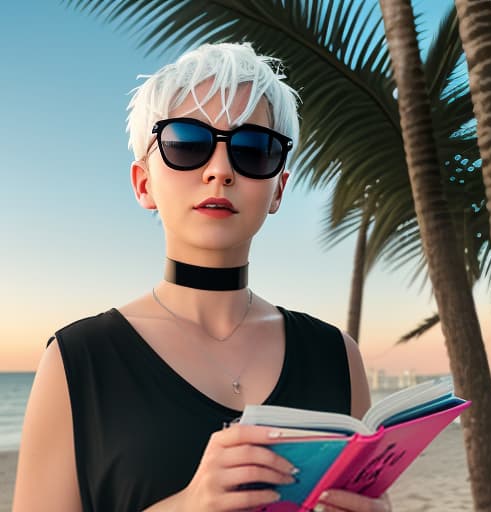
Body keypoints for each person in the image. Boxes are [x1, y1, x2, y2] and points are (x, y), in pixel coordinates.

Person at [13, 42, 391, 512]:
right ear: (143, 183)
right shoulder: (76, 363)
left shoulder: (337, 356)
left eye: (252, 149)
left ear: (278, 190)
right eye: (186, 144)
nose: (220, 170)